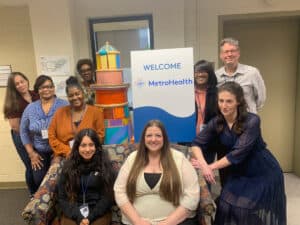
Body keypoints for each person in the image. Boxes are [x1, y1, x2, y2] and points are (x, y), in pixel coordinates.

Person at [191, 82, 286, 225]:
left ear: (238, 101)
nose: (224, 105)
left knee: (245, 210)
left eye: (229, 101)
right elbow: (197, 144)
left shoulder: (252, 121)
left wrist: (210, 167)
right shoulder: (217, 122)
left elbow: (236, 154)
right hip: (238, 171)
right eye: (221, 101)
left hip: (261, 171)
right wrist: (204, 164)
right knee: (224, 205)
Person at [114, 120, 200, 225]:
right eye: (149, 135)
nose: (153, 139)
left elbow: (193, 195)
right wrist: (137, 221)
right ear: (144, 138)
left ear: (164, 138)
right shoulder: (132, 158)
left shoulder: (179, 158)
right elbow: (119, 191)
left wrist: (168, 223)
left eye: (158, 135)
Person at [20, 75, 68, 192]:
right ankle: (44, 208)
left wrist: (60, 152)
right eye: (43, 87)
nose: (46, 90)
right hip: (39, 152)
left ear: (54, 88)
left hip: (59, 150)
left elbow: (71, 129)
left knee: (59, 181)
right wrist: (31, 153)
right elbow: (23, 131)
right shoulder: (30, 108)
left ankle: (60, 207)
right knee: (39, 181)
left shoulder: (64, 105)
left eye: (50, 86)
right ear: (38, 90)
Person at [57, 128, 115, 225]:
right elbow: (62, 198)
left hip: (98, 212)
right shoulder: (68, 166)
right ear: (77, 147)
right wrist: (79, 217)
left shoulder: (104, 165)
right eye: (83, 145)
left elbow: (107, 198)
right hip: (74, 210)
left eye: (91, 145)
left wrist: (90, 217)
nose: (87, 149)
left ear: (96, 146)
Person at [48, 76, 105, 158]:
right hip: (64, 155)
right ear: (67, 97)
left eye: (77, 94)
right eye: (71, 95)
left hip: (90, 154)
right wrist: (68, 151)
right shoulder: (59, 113)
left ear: (83, 93)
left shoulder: (96, 112)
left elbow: (100, 136)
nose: (75, 97)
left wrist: (85, 150)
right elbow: (51, 136)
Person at [3, 72, 40, 195]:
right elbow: (16, 127)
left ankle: (43, 194)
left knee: (41, 164)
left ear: (27, 80)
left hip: (38, 135)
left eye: (22, 81)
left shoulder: (36, 95)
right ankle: (33, 195)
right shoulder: (13, 102)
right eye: (16, 84)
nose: (20, 85)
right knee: (31, 165)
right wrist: (31, 146)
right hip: (23, 137)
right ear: (13, 87)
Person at [215, 37, 266, 114]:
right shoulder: (216, 75)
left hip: (248, 121)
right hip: (225, 122)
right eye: (226, 51)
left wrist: (250, 112)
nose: (229, 54)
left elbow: (261, 99)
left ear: (238, 53)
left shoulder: (252, 72)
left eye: (232, 51)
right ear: (221, 55)